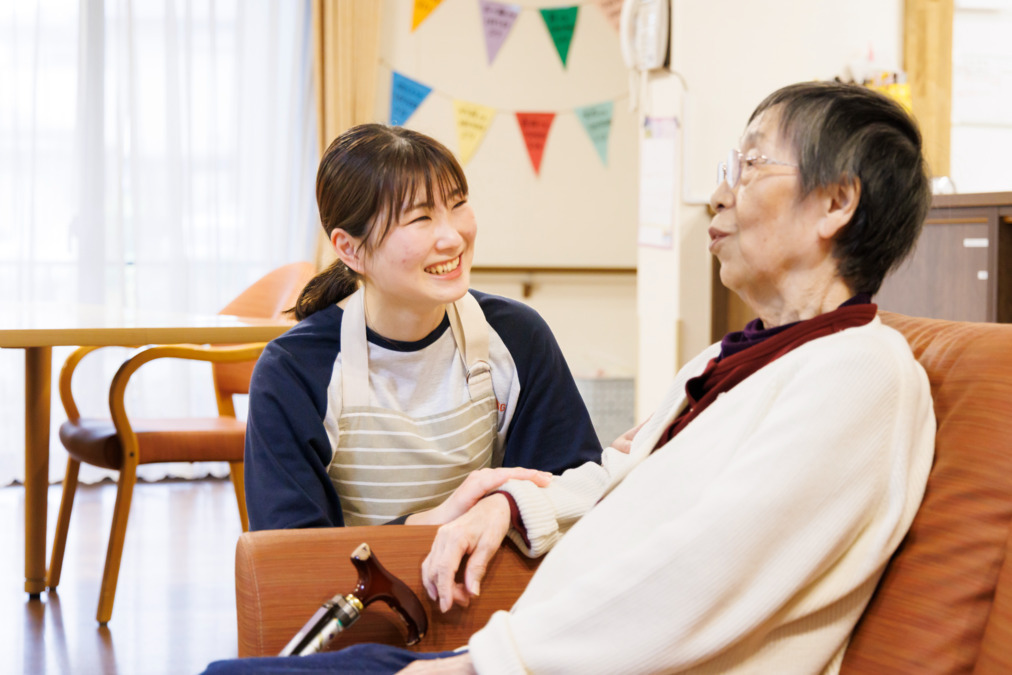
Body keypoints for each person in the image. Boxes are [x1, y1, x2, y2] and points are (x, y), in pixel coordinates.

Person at [205, 81, 936, 674]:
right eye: (418, 218)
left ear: (837, 203)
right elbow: (616, 473)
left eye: (748, 167)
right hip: (514, 633)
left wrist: (476, 662)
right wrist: (508, 508)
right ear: (349, 249)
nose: (717, 196)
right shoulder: (733, 359)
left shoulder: (858, 375)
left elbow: (698, 576)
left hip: (521, 647)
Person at [243, 124, 603, 531]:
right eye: (421, 218)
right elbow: (290, 557)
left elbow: (570, 488)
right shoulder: (294, 370)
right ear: (349, 248)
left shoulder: (517, 337)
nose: (452, 237)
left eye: (458, 204)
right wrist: (436, 522)